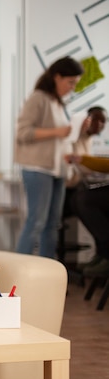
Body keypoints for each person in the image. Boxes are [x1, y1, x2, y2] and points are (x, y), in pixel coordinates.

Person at [14, 56, 84, 258]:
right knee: (36, 221)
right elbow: (23, 133)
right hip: (38, 169)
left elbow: (61, 137)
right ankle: (19, 269)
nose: (72, 87)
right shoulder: (38, 99)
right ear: (57, 77)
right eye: (70, 82)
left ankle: (48, 273)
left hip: (57, 169)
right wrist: (57, 131)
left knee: (52, 224)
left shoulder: (58, 103)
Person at [65, 107, 109, 276]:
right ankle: (102, 252)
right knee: (81, 199)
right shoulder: (76, 137)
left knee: (83, 200)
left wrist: (82, 159)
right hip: (72, 185)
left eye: (102, 121)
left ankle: (105, 253)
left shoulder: (86, 141)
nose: (99, 125)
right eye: (95, 120)